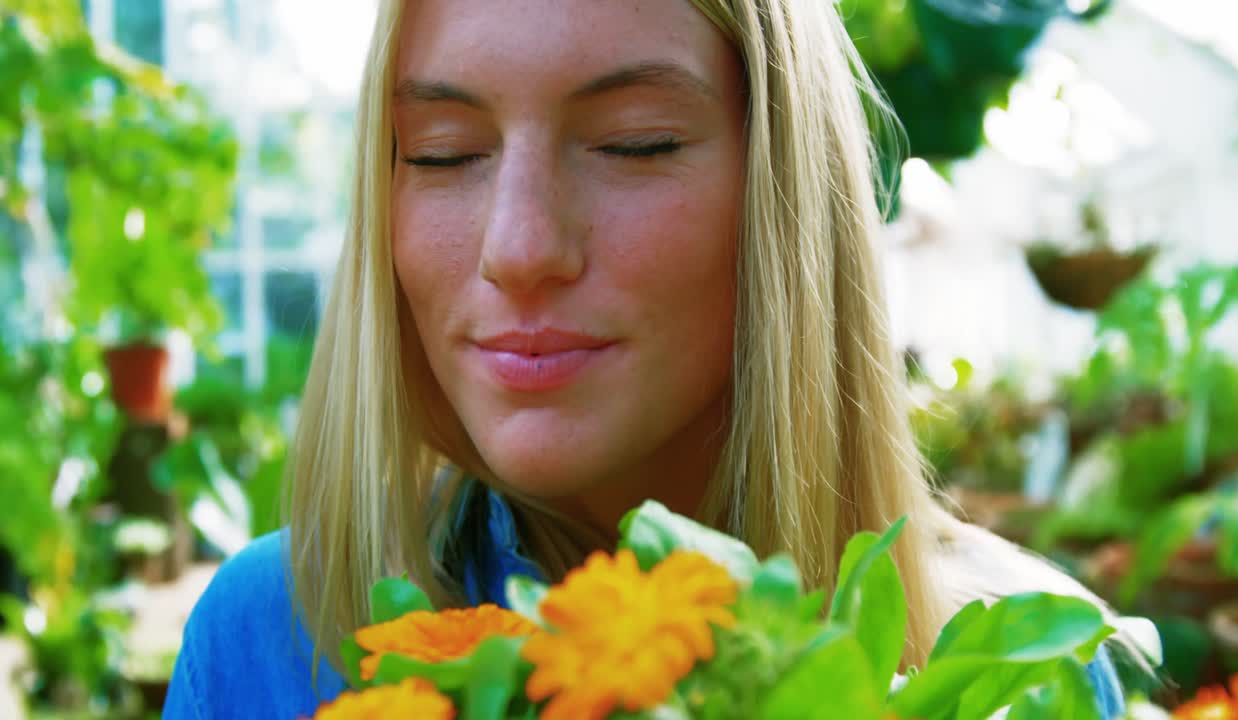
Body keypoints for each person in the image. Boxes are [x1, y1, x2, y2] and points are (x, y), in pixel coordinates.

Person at [162, 1, 1145, 718]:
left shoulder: (1021, 663)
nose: (517, 245)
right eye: (443, 152)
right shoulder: (270, 640)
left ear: (784, 198)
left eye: (634, 144)